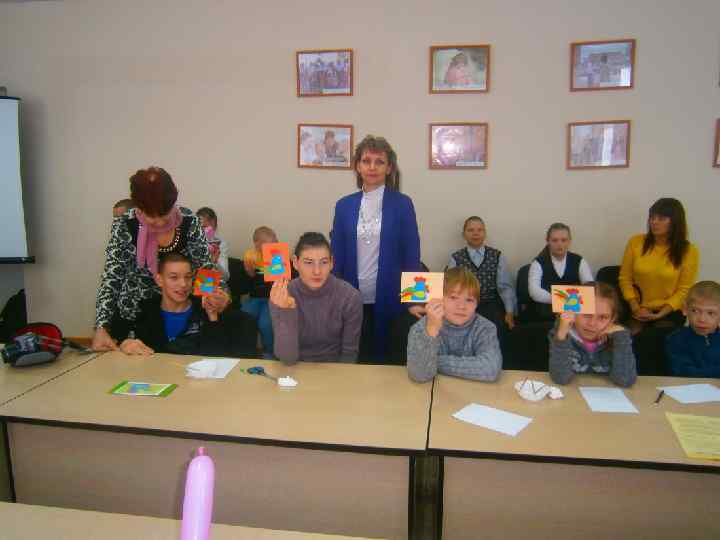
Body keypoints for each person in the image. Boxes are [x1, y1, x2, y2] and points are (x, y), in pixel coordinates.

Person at [93, 166, 230, 351]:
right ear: (139, 207)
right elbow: (112, 277)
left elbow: (205, 268)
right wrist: (101, 326)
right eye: (151, 215)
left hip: (179, 315)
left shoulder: (189, 221)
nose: (159, 222)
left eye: (164, 213)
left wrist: (217, 296)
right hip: (135, 317)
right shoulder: (125, 224)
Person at [331, 135, 422, 362]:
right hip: (351, 292)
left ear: (389, 168)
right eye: (366, 161)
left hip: (390, 294)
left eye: (379, 161)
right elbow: (337, 255)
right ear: (357, 166)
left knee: (386, 358)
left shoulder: (403, 204)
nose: (372, 167)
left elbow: (412, 254)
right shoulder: (343, 205)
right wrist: (331, 295)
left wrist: (414, 301)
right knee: (356, 356)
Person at [110, 253, 256, 357]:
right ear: (159, 280)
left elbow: (217, 357)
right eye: (174, 277)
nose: (183, 284)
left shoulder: (205, 309)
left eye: (188, 277)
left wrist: (213, 318)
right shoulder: (144, 310)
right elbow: (119, 338)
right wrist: (124, 344)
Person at [618, 198, 699, 374]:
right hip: (636, 308)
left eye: (661, 218)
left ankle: (657, 381)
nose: (654, 222)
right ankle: (629, 378)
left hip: (668, 311)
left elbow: (684, 289)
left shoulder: (689, 251)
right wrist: (635, 307)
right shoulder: (636, 242)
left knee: (656, 340)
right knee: (627, 338)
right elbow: (625, 278)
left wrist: (661, 313)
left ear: (675, 221)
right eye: (652, 217)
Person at [269, 232, 362, 364]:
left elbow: (349, 354)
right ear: (295, 263)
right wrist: (287, 311)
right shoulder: (282, 295)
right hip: (296, 367)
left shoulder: (350, 297)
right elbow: (287, 358)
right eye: (308, 262)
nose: (317, 271)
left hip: (335, 368)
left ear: (332, 263)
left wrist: (338, 376)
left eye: (324, 262)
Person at [406, 267, 502, 383]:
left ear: (476, 304)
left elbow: (490, 369)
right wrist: (431, 330)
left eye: (469, 300)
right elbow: (419, 375)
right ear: (439, 299)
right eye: (453, 297)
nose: (461, 306)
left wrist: (434, 361)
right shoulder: (420, 327)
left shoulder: (485, 328)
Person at [548, 281, 636, 387]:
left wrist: (621, 340)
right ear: (573, 313)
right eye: (586, 314)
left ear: (613, 319)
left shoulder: (619, 337)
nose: (592, 323)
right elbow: (561, 378)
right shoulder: (562, 334)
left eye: (603, 317)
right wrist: (561, 336)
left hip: (606, 393)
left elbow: (625, 380)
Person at [447, 216, 516, 331]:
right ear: (464, 234)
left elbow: (505, 287)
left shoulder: (497, 256)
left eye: (480, 230)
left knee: (496, 331)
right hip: (464, 305)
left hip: (492, 305)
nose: (475, 233)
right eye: (470, 230)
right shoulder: (456, 258)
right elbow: (450, 288)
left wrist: (510, 312)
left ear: (485, 233)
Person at [527, 223, 593, 322]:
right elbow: (534, 292)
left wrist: (565, 302)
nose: (559, 244)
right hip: (546, 315)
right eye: (555, 240)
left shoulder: (579, 261)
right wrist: (566, 301)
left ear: (569, 241)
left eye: (564, 240)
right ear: (548, 241)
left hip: (575, 315)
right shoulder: (537, 263)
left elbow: (590, 289)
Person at [666, 281, 720, 377]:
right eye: (695, 311)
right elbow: (686, 373)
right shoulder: (676, 340)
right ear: (685, 309)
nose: (702, 319)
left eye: (711, 313)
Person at [242, 226, 279, 358]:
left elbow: (281, 281)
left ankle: (269, 351)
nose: (272, 247)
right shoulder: (250, 256)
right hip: (254, 298)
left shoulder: (277, 256)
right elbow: (248, 282)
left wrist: (277, 270)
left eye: (274, 243)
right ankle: (245, 350)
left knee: (265, 323)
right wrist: (249, 271)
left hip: (271, 298)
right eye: (267, 245)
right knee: (244, 316)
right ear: (257, 245)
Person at [196, 207, 229, 281]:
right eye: (203, 227)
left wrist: (214, 262)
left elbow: (225, 277)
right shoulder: (189, 241)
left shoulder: (220, 244)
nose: (208, 231)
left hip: (208, 283)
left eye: (211, 228)